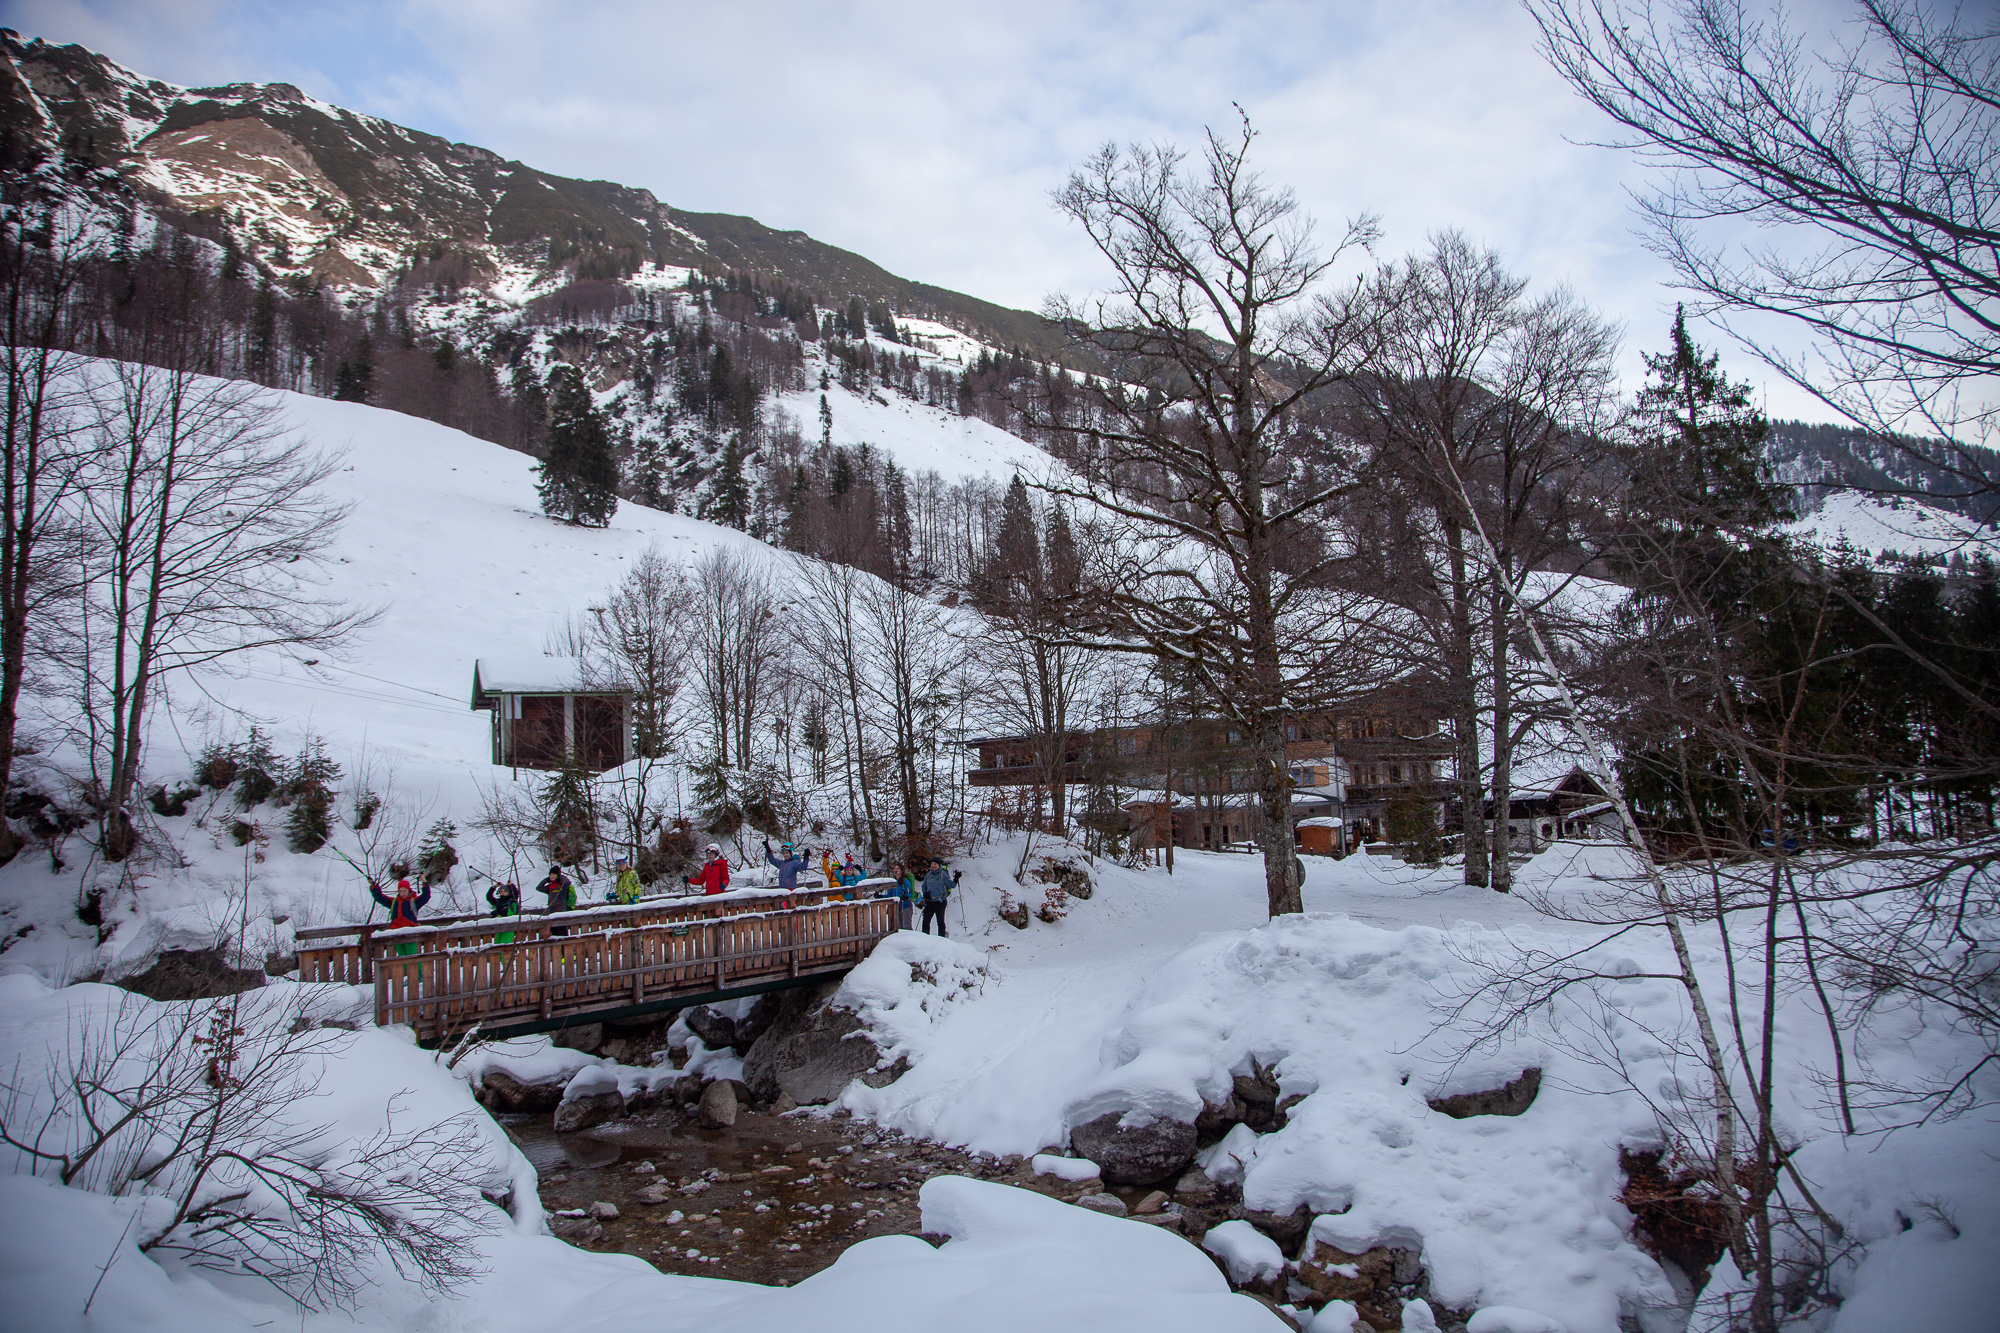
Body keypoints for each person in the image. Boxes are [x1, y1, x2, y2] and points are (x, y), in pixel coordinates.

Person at [370, 878, 432, 957]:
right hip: (396, 932)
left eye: (405, 891)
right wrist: (373, 886)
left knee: (413, 957)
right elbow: (380, 897)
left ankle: (418, 970)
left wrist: (424, 882)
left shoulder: (414, 901)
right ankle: (405, 969)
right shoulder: (394, 902)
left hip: (410, 932)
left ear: (408, 890)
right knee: (402, 957)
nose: (403, 893)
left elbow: (426, 896)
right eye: (401, 891)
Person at [919, 857, 958, 937]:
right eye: (932, 864)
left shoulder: (943, 874)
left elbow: (951, 885)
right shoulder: (928, 875)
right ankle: (924, 939)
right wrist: (925, 893)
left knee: (940, 921)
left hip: (940, 901)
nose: (933, 866)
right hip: (929, 901)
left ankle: (941, 939)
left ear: (939, 865)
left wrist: (956, 880)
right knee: (925, 921)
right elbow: (924, 886)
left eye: (935, 864)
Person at [538, 866, 576, 937]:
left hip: (561, 912)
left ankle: (564, 948)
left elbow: (567, 882)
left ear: (558, 875)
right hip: (552, 912)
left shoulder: (561, 885)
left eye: (554, 874)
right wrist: (547, 880)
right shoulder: (550, 886)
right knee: (554, 933)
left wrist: (560, 877)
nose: (552, 876)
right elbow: (539, 887)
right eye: (550, 874)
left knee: (562, 933)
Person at [884, 859, 920, 931]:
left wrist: (906, 896)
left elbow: (910, 893)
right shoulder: (893, 882)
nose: (896, 870)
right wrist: (880, 896)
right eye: (894, 869)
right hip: (897, 907)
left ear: (901, 871)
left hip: (906, 906)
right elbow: (890, 894)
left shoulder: (905, 881)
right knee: (899, 927)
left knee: (906, 926)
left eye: (897, 869)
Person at [486, 879, 521, 945]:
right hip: (499, 925)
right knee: (497, 945)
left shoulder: (512, 902)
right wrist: (494, 887)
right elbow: (489, 897)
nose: (502, 892)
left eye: (505, 891)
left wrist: (511, 885)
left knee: (505, 945)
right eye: (501, 891)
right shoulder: (498, 902)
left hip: (509, 925)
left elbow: (515, 893)